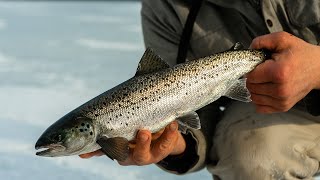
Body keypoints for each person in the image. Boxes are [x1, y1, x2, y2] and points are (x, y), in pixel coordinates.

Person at [80, 0, 320, 179]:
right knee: (250, 158)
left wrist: (316, 70)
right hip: (271, 111)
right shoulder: (164, 8)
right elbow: (198, 112)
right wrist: (175, 142)